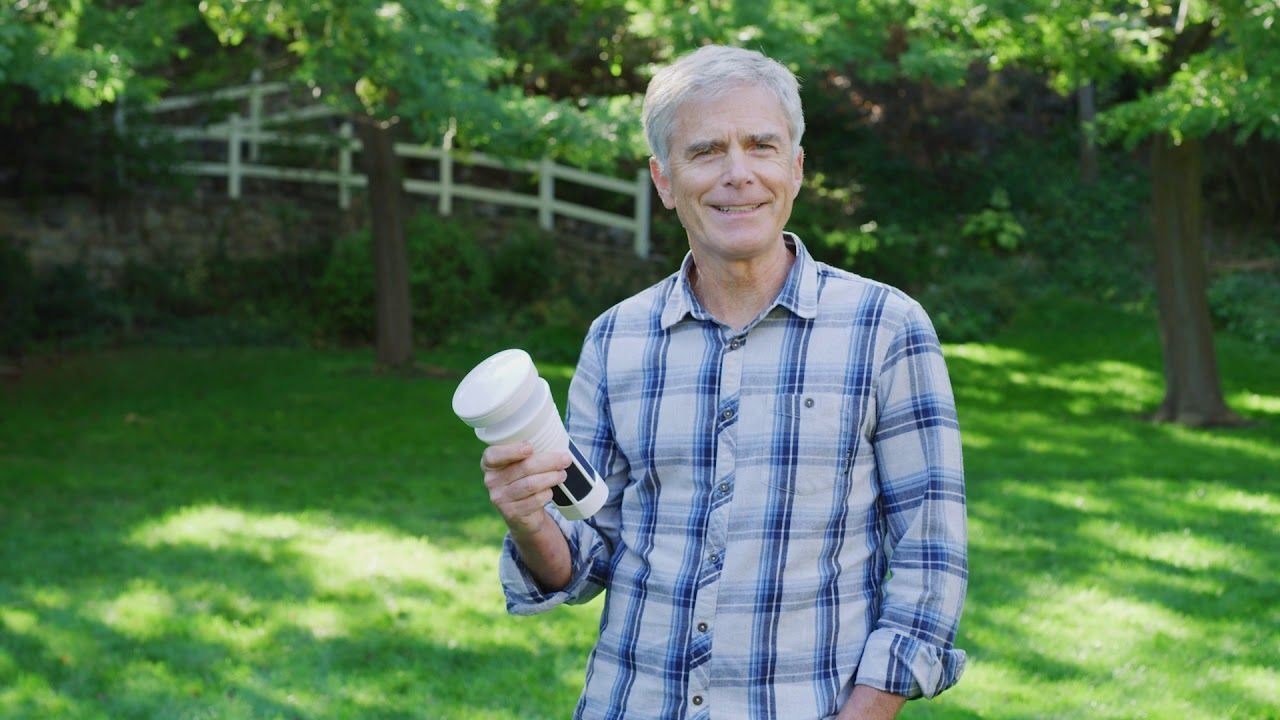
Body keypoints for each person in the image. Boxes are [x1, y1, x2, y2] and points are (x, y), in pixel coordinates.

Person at [480, 44, 967, 720]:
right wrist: (529, 518)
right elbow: (591, 553)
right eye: (706, 151)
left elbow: (930, 555)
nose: (739, 174)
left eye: (762, 147)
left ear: (794, 168)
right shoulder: (616, 340)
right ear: (664, 180)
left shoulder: (886, 329)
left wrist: (868, 711)